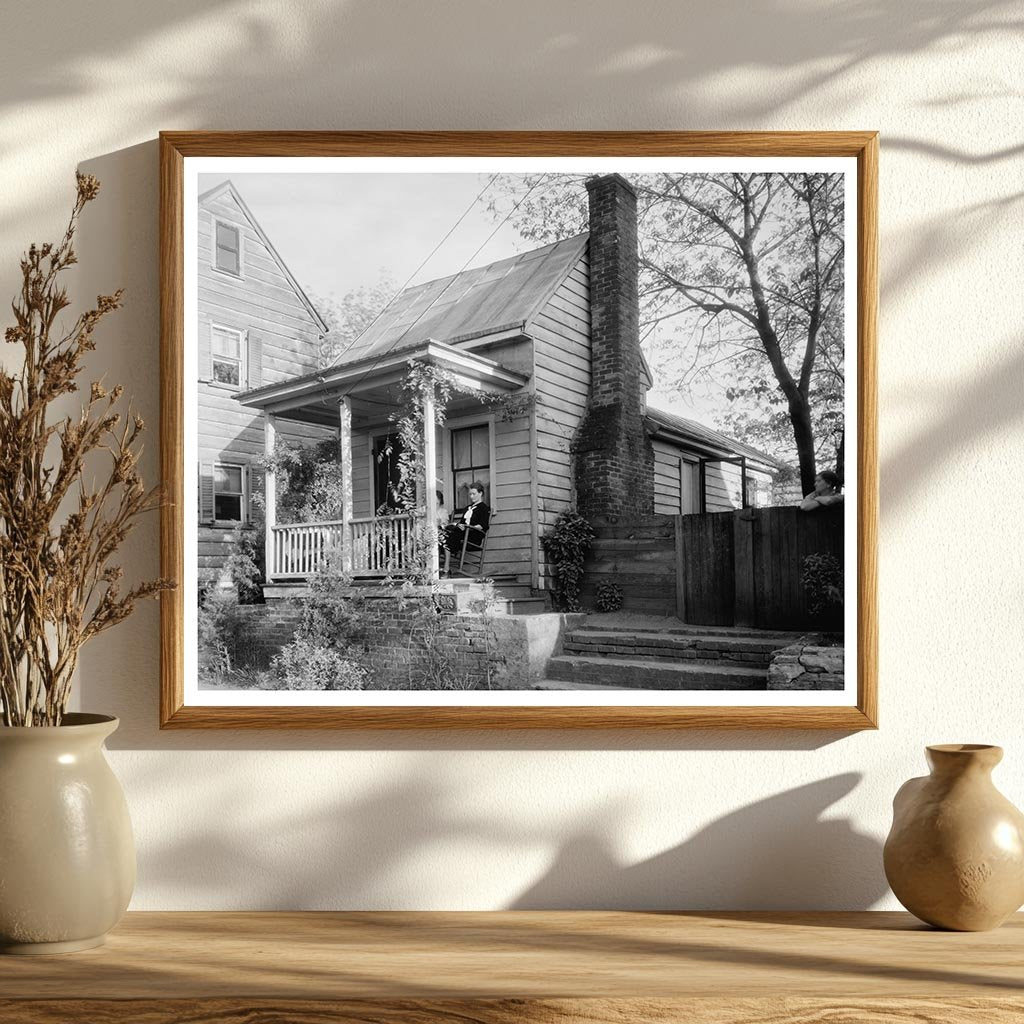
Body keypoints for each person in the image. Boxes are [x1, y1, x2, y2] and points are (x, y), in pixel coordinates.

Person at [440, 481, 490, 575]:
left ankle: (446, 569)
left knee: (447, 538)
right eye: (470, 494)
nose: (471, 496)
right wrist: (459, 525)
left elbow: (483, 525)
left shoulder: (484, 508)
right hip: (462, 534)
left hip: (473, 536)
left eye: (474, 494)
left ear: (480, 493)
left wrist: (469, 527)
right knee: (443, 535)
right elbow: (463, 522)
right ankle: (444, 568)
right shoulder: (467, 508)